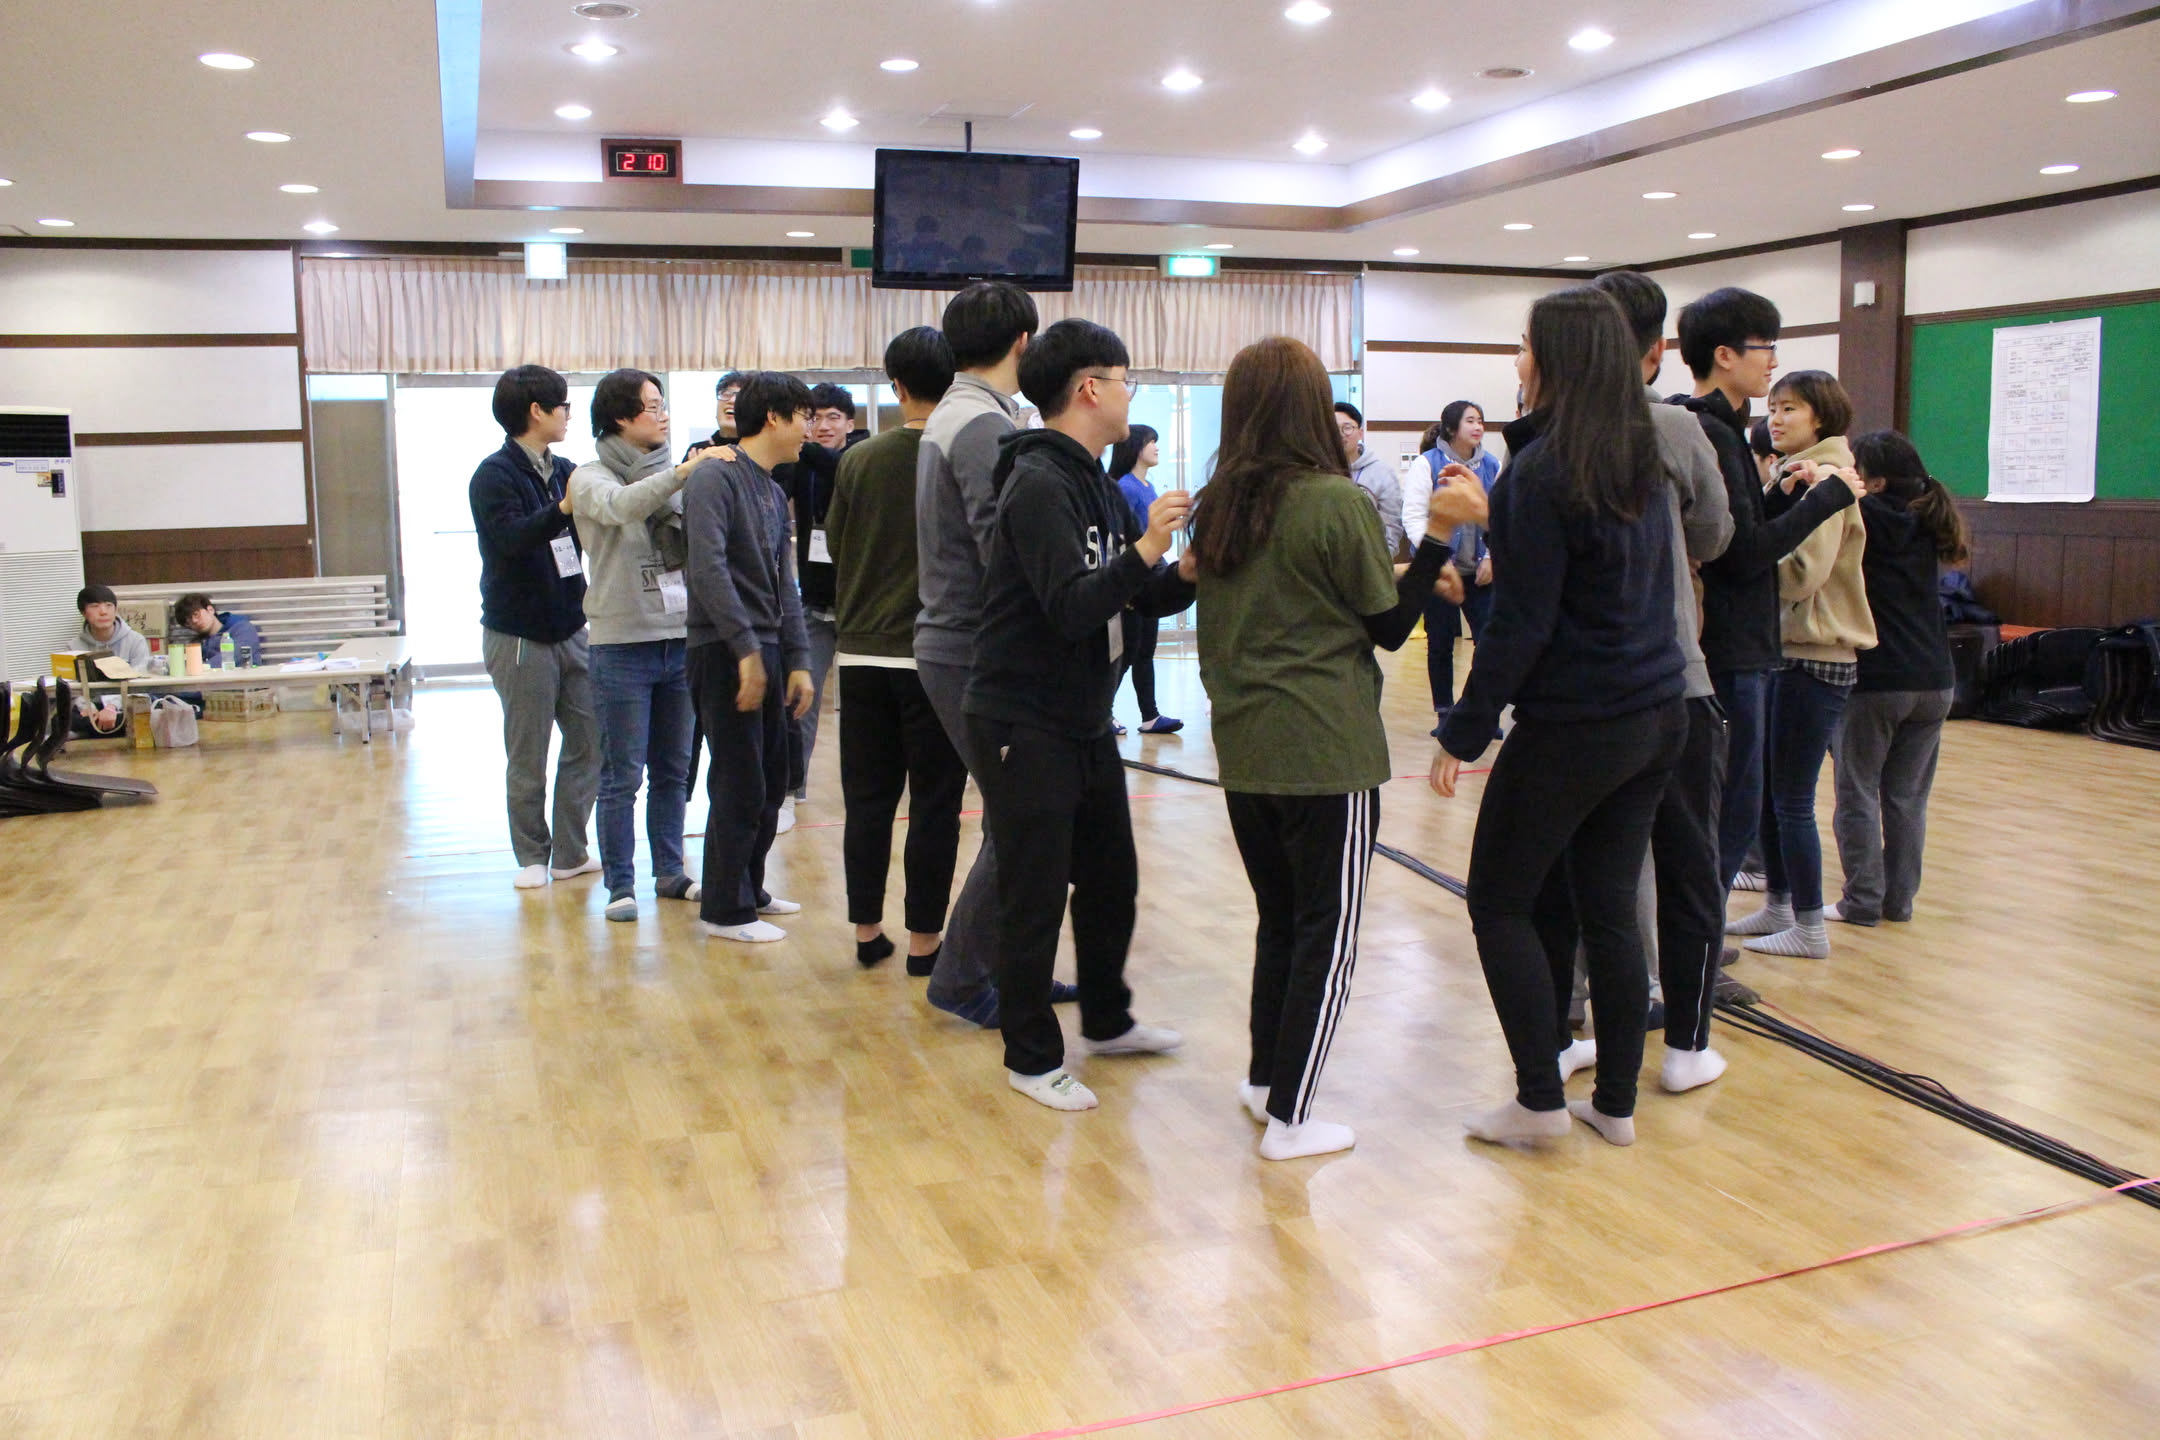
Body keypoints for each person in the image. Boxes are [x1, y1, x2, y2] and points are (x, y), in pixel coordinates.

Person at [1192, 336, 1490, 1159]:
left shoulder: (1221, 503)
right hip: (1325, 749)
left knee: (1282, 921)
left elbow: (1314, 596)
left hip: (1244, 745)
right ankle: (1293, 1118)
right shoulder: (1335, 500)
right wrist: (1438, 538)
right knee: (1326, 934)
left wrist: (1416, 566)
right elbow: (1389, 628)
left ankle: (1268, 1083)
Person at [1432, 286, 1689, 1149]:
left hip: (1582, 722)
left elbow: (1522, 625)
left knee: (1498, 901)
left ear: (1556, 361)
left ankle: (1539, 1100)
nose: (1518, 360)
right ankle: (1613, 1103)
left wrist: (1465, 729)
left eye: (1524, 345)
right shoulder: (1633, 455)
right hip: (1654, 713)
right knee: (1607, 906)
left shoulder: (1546, 470)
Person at [964, 318, 1196, 1111]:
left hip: (1083, 714)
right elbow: (1071, 606)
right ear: (1090, 388)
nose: (1132, 395)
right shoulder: (1037, 481)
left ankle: (1107, 1018)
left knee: (1109, 879)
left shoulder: (1093, 477)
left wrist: (1186, 569)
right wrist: (1148, 549)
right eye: (1126, 380)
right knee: (1033, 893)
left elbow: (1136, 595)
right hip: (1022, 717)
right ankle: (1030, 1058)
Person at [1590, 270, 1736, 1092]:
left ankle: (1587, 1028)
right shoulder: (1675, 428)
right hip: (1674, 679)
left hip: (1579, 693)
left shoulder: (1544, 435)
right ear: (1655, 352)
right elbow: (1715, 535)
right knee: (1687, 869)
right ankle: (1686, 1044)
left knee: (1592, 869)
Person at [1673, 289, 1859, 907]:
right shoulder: (1712, 430)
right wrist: (1826, 498)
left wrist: (1781, 496)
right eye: (1765, 348)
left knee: (1742, 802)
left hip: (1737, 643)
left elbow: (1736, 528)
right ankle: (1699, 941)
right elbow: (1742, 553)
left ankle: (1707, 933)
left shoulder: (1719, 427)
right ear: (1725, 355)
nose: (1773, 361)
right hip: (1731, 645)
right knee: (1734, 807)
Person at [914, 280, 1038, 1027]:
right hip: (971, 644)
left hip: (956, 640)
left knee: (1013, 818)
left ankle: (1001, 970)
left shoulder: (959, 412)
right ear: (1023, 343)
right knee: (1021, 820)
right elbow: (1006, 551)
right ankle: (962, 979)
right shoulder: (982, 424)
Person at [827, 327, 969, 974]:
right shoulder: (959, 454)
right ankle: (923, 944)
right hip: (935, 659)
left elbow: (836, 545)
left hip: (860, 655)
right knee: (935, 804)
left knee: (868, 802)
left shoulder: (858, 460)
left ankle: (866, 931)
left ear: (896, 385)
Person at [1728, 370, 1874, 958]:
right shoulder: (1795, 472)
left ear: (1822, 416)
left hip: (1817, 654)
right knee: (1769, 792)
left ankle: (1810, 926)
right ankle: (1779, 906)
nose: (1776, 419)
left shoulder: (1830, 479)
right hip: (1788, 649)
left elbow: (1802, 575)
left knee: (1791, 798)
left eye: (1790, 408)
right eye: (1773, 408)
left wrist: (1743, 574)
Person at [568, 368, 711, 922]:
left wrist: (686, 476)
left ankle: (670, 872)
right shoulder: (589, 476)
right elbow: (621, 506)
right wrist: (682, 474)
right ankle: (621, 885)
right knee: (621, 777)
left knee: (674, 771)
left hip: (679, 639)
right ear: (621, 417)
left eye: (662, 404)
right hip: (621, 647)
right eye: (652, 407)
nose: (663, 415)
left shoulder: (673, 474)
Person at [683, 372, 817, 942]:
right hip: (723, 649)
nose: (809, 428)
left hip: (767, 646)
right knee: (738, 780)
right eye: (803, 416)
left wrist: (799, 658)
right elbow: (707, 568)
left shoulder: (772, 488)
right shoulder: (715, 476)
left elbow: (784, 582)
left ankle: (750, 888)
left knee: (771, 778)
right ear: (774, 418)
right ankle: (725, 910)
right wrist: (745, 649)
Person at [1829, 431, 1969, 927]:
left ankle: (1861, 900)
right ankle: (1899, 901)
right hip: (1936, 680)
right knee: (1907, 798)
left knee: (1857, 791)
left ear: (1876, 481)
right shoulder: (1929, 521)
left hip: (1878, 678)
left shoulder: (1861, 516)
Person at [470, 364, 601, 891]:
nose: (569, 413)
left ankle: (570, 851)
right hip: (519, 636)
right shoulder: (493, 475)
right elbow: (511, 539)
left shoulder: (566, 468)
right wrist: (562, 508)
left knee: (592, 739)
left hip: (572, 628)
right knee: (528, 753)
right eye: (562, 405)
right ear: (536, 411)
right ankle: (531, 854)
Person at [773, 382, 866, 827]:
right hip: (813, 603)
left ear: (850, 423)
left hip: (862, 605)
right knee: (799, 698)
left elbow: (839, 467)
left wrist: (805, 446)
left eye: (832, 417)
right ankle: (792, 789)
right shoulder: (801, 462)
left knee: (871, 704)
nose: (823, 426)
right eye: (814, 418)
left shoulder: (862, 457)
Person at [1406, 401, 1500, 731]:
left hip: (1479, 573)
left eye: (1481, 421)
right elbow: (1414, 516)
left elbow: (1498, 516)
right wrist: (1435, 558)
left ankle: (1483, 713)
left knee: (1489, 643)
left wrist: (1490, 556)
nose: (1478, 427)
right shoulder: (1427, 464)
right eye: (1470, 421)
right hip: (1440, 573)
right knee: (1441, 642)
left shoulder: (1492, 464)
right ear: (1451, 428)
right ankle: (1445, 714)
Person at [1107, 423, 1184, 736]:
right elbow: (1123, 535)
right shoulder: (1125, 487)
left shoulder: (1147, 486)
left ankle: (1150, 715)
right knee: (1128, 650)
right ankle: (1102, 711)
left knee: (1144, 651)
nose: (1157, 447)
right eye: (1152, 441)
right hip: (1136, 574)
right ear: (1136, 447)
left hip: (1152, 572)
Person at [69, 585, 152, 735]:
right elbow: (73, 687)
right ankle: (96, 728)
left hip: (124, 705)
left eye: (108, 605)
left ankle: (90, 732)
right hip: (92, 706)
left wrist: (111, 707)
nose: (103, 612)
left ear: (115, 609)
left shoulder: (136, 640)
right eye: (95, 606)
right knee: (62, 720)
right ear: (83, 613)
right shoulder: (74, 646)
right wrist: (87, 707)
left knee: (142, 717)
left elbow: (139, 683)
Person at [1333, 402, 1405, 559]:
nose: (1340, 434)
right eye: (1333, 428)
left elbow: (1392, 527)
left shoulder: (1382, 473)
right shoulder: (1318, 471)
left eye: (1347, 427)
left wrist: (1378, 562)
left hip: (1370, 560)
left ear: (1360, 433)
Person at [170, 593, 264, 667]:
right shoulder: (198, 644)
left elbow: (236, 654)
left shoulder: (242, 628)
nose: (194, 621)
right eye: (188, 622)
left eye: (196, 614)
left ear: (210, 610)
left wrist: (204, 667)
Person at [684, 371, 746, 459]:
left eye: (741, 396)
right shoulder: (697, 451)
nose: (732, 400)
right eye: (726, 394)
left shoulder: (759, 453)